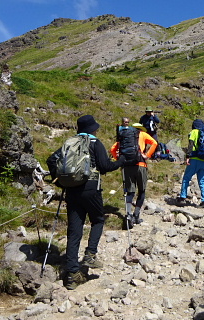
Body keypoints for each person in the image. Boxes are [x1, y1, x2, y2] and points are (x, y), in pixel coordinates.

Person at [46, 115, 122, 289]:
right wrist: (121, 162)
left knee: (74, 230)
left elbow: (51, 160)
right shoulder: (95, 143)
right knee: (98, 220)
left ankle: (72, 274)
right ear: (91, 129)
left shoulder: (69, 142)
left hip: (71, 190)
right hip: (91, 188)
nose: (96, 130)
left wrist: (60, 180)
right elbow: (104, 167)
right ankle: (90, 255)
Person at [110, 120, 158, 227]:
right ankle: (136, 214)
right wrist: (147, 155)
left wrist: (118, 158)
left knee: (130, 191)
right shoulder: (143, 134)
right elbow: (155, 143)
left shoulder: (124, 137)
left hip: (127, 166)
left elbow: (112, 149)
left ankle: (128, 215)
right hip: (141, 164)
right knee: (142, 190)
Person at [177, 119, 204, 208]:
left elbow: (191, 144)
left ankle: (182, 197)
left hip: (194, 159)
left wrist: (188, 156)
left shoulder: (194, 132)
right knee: (203, 180)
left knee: (186, 178)